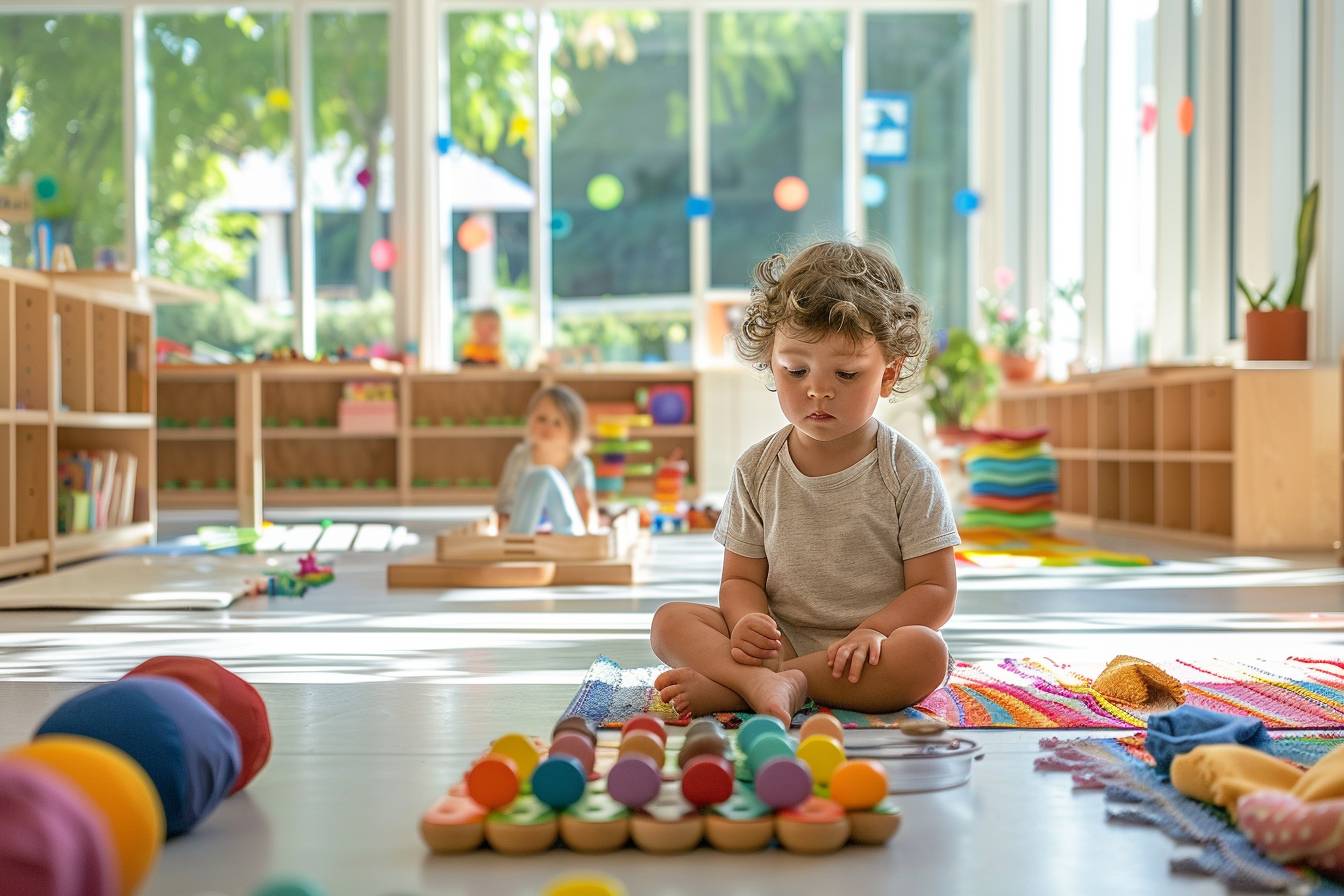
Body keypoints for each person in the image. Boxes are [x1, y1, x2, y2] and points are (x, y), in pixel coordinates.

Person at [650, 240, 959, 724]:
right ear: (771, 363)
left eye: (847, 373)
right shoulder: (757, 468)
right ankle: (760, 680)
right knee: (669, 622)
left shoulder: (908, 472)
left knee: (926, 654)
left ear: (887, 373)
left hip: (868, 655)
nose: (818, 388)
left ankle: (766, 685)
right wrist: (750, 620)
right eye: (795, 370)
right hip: (779, 641)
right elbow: (739, 579)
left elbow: (935, 590)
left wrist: (874, 631)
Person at [495, 385, 597, 535]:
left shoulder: (580, 466)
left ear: (574, 431)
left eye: (557, 423)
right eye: (541, 419)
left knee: (546, 476)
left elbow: (587, 511)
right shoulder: (520, 457)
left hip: (564, 539)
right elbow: (505, 505)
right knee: (543, 477)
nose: (548, 427)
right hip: (523, 535)